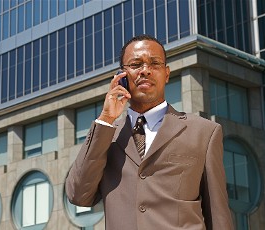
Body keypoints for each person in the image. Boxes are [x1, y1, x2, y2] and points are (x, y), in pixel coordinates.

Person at [65, 34, 233, 230]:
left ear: (167, 73)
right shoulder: (107, 136)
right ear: (121, 76)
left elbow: (218, 215)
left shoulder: (204, 132)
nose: (145, 71)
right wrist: (106, 119)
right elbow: (78, 195)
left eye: (154, 64)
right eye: (136, 64)